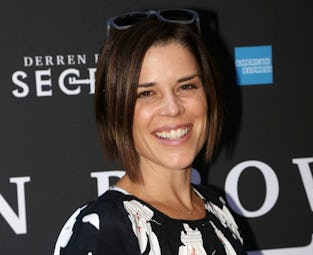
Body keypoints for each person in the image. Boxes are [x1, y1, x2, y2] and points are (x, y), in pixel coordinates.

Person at [54, 9, 246, 255]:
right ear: (116, 109)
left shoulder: (218, 211)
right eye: (146, 93)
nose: (173, 108)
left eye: (186, 86)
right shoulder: (103, 230)